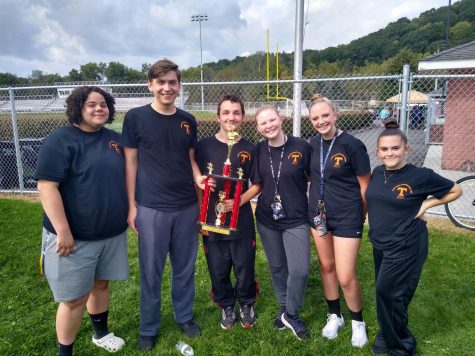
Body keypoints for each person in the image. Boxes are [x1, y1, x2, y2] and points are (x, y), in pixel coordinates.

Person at [120, 59, 207, 352]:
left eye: (172, 82)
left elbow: (191, 161)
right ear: (150, 85)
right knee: (151, 271)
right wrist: (132, 206)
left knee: (184, 268)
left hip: (185, 207)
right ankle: (149, 327)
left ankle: (184, 316)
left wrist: (200, 202)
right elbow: (130, 163)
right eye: (161, 82)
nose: (167, 88)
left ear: (179, 85)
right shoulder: (135, 118)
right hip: (151, 208)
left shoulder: (188, 120)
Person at [35, 86, 129, 355]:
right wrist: (63, 231)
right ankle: (65, 352)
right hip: (74, 237)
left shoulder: (114, 140)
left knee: (101, 285)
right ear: (78, 108)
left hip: (110, 233)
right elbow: (47, 187)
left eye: (103, 104)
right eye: (91, 104)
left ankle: (101, 334)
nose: (99, 109)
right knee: (74, 298)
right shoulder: (60, 140)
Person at [365, 119, 462, 356]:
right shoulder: (378, 173)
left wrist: (428, 203)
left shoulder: (420, 176)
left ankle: (401, 346)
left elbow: (455, 190)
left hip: (406, 244)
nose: (390, 153)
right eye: (385, 149)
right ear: (378, 152)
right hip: (381, 243)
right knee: (385, 291)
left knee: (390, 294)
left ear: (406, 148)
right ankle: (387, 333)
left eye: (395, 148)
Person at [307, 94, 370, 348]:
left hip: (347, 216)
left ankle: (358, 322)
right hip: (319, 216)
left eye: (325, 115)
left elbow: (365, 186)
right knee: (326, 267)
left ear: (335, 115)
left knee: (345, 275)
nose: (321, 121)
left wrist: (362, 215)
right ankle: (335, 315)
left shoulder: (352, 145)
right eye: (315, 118)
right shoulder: (311, 144)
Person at [196, 94, 261, 330]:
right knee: (218, 265)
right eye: (226, 112)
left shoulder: (249, 148)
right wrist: (201, 217)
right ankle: (226, 303)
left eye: (236, 112)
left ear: (243, 117)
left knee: (244, 265)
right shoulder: (203, 146)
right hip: (212, 219)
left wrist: (238, 202)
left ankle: (246, 302)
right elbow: (198, 181)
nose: (231, 117)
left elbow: (257, 184)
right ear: (217, 117)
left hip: (240, 220)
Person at [254, 105, 312, 340]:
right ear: (258, 127)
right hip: (267, 219)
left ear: (281, 118)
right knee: (277, 267)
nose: (269, 126)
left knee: (299, 270)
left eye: (272, 120)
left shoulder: (301, 146)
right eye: (263, 123)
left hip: (296, 218)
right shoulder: (259, 150)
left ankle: (292, 313)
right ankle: (283, 307)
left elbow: (312, 177)